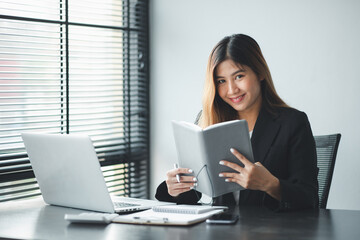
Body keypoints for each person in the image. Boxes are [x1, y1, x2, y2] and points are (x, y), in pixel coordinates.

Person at [155, 34, 319, 211]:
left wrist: (271, 185)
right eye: (221, 81)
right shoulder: (208, 120)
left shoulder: (292, 123)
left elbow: (310, 199)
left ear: (260, 72)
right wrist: (176, 188)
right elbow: (197, 193)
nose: (232, 90)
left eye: (239, 76)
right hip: (222, 228)